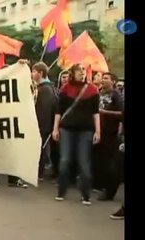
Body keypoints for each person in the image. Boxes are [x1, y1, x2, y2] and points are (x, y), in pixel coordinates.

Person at [52, 63, 100, 205]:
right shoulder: (65, 89)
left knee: (84, 163)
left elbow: (95, 113)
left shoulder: (92, 90)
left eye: (84, 70)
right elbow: (59, 111)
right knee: (65, 161)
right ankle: (62, 190)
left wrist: (98, 130)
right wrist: (55, 128)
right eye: (79, 71)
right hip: (67, 129)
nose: (82, 73)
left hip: (85, 130)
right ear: (73, 73)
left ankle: (86, 194)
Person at [93, 72, 124, 199]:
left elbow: (122, 113)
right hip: (97, 129)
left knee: (108, 159)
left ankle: (107, 187)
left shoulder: (116, 95)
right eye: (103, 78)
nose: (103, 80)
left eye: (106, 78)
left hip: (110, 131)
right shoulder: (98, 93)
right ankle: (97, 183)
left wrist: (105, 112)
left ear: (113, 81)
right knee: (97, 157)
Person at [31, 62, 57, 181]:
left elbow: (44, 109)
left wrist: (40, 125)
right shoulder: (42, 87)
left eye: (34, 71)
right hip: (39, 124)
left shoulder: (46, 89)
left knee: (39, 148)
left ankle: (39, 173)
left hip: (42, 124)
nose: (32, 74)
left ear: (41, 73)